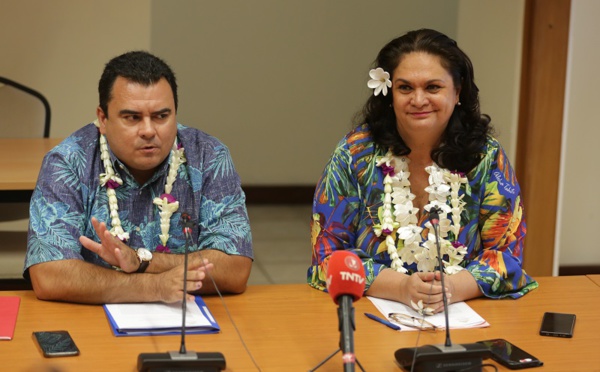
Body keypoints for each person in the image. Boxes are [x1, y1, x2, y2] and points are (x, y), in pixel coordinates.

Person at [308, 29, 537, 315]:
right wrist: (401, 288)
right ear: (389, 93)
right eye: (405, 88)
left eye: (432, 87)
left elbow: (508, 257)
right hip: (370, 314)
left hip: (464, 314)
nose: (418, 100)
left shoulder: (485, 157)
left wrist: (450, 289)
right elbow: (327, 256)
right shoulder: (355, 154)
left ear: (458, 92)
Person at [24, 51, 253, 304]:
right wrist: (154, 287)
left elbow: (235, 268)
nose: (148, 131)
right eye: (132, 118)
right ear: (103, 118)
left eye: (161, 116)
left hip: (187, 318)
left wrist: (142, 261)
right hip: (93, 324)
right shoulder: (68, 162)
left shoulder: (209, 157)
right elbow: (49, 276)